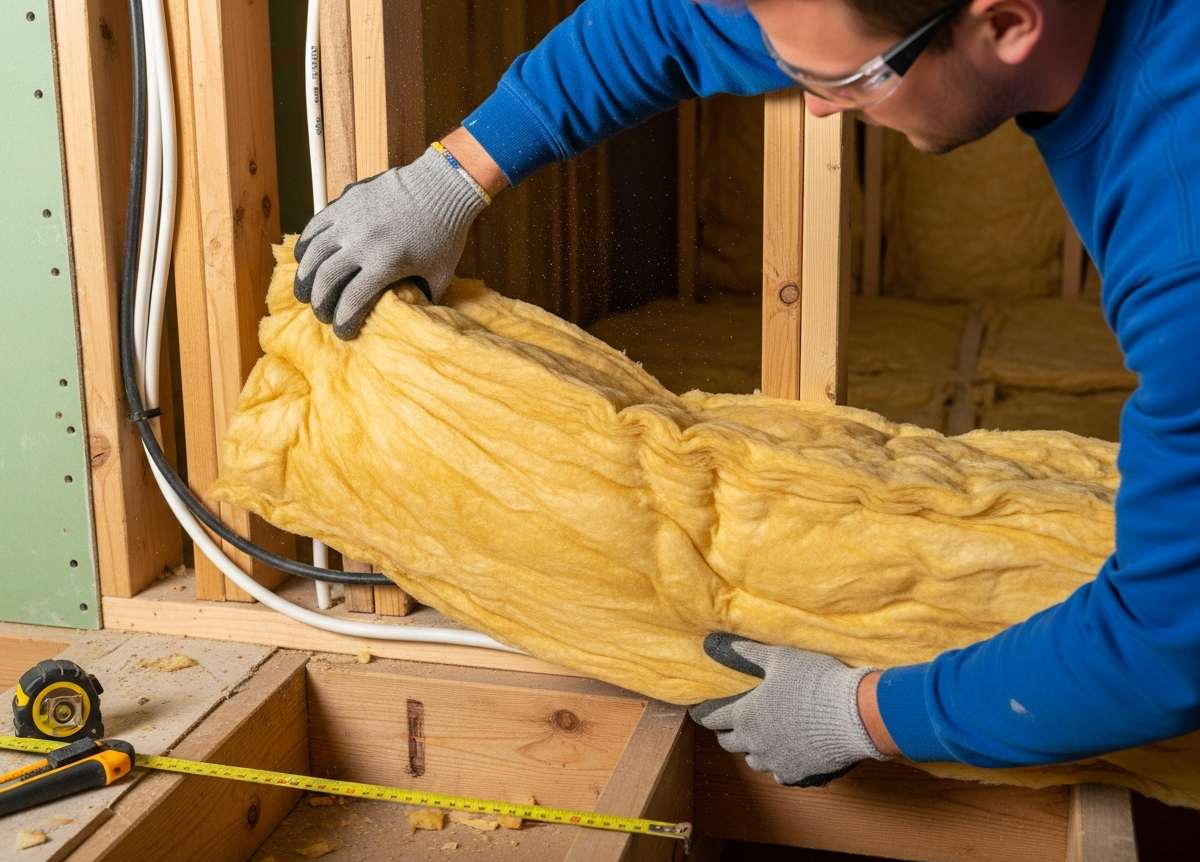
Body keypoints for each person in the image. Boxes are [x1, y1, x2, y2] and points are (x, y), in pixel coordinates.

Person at [294, 0, 1200, 788]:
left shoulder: (1182, 230)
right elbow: (675, 20)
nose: (814, 104)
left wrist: (867, 715)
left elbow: (1169, 639)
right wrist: (450, 178)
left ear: (1006, 23)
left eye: (844, 81)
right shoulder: (930, 25)